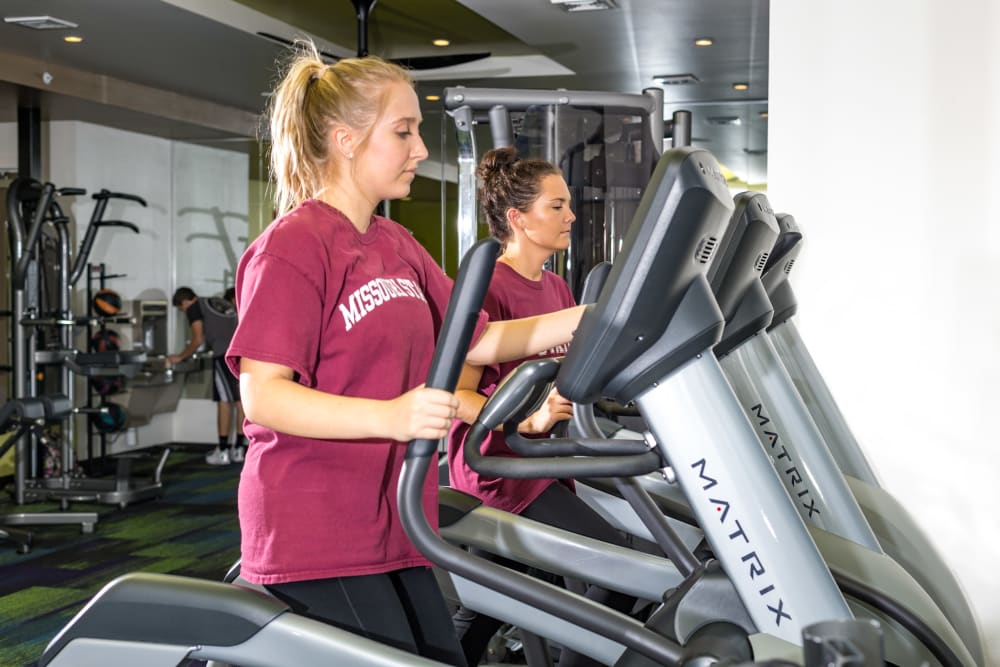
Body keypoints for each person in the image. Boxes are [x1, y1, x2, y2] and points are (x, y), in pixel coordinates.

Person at [225, 43, 584, 666]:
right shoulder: (293, 246)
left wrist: (596, 318)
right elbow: (264, 394)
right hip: (315, 529)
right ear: (346, 139)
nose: (421, 148)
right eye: (405, 131)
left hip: (395, 520)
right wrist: (392, 415)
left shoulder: (395, 242)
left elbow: (480, 339)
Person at [447, 147, 639, 667]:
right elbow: (457, 395)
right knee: (620, 568)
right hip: (500, 465)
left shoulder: (555, 287)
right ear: (518, 219)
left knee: (494, 600)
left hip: (545, 460)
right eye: (557, 206)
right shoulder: (489, 286)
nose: (570, 216)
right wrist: (523, 420)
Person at [169, 287, 247, 465]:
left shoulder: (194, 308)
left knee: (224, 403)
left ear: (184, 303)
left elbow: (197, 339)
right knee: (240, 401)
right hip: (240, 355)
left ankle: (223, 451)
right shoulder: (217, 302)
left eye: (182, 310)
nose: (185, 312)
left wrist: (180, 357)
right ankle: (239, 449)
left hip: (223, 356)